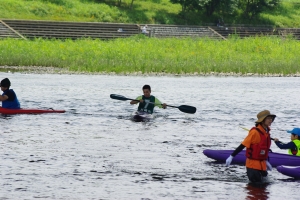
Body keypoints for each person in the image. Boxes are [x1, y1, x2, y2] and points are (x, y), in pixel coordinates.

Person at [225, 110, 276, 183]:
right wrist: (232, 156)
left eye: (271, 118)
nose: (270, 120)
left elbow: (264, 149)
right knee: (255, 190)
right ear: (262, 120)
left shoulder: (266, 132)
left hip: (262, 165)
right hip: (253, 166)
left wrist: (266, 161)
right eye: (268, 118)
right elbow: (243, 145)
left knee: (264, 190)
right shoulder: (254, 132)